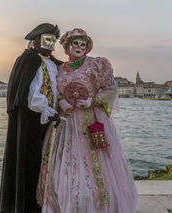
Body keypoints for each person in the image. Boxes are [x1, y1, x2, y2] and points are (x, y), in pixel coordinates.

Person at [36, 28, 139, 213]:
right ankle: (66, 203)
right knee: (65, 165)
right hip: (66, 124)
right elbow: (56, 93)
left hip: (91, 120)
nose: (79, 47)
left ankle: (97, 204)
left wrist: (93, 100)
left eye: (83, 44)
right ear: (67, 47)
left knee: (96, 163)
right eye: (76, 43)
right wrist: (62, 102)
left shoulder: (96, 65)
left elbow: (111, 90)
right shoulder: (60, 69)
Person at [0, 23, 63, 213]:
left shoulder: (52, 62)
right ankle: (29, 206)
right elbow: (30, 95)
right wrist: (49, 112)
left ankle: (44, 202)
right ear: (35, 40)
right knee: (31, 163)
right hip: (31, 122)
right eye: (47, 39)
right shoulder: (29, 60)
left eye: (53, 40)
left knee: (46, 163)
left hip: (47, 123)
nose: (51, 44)